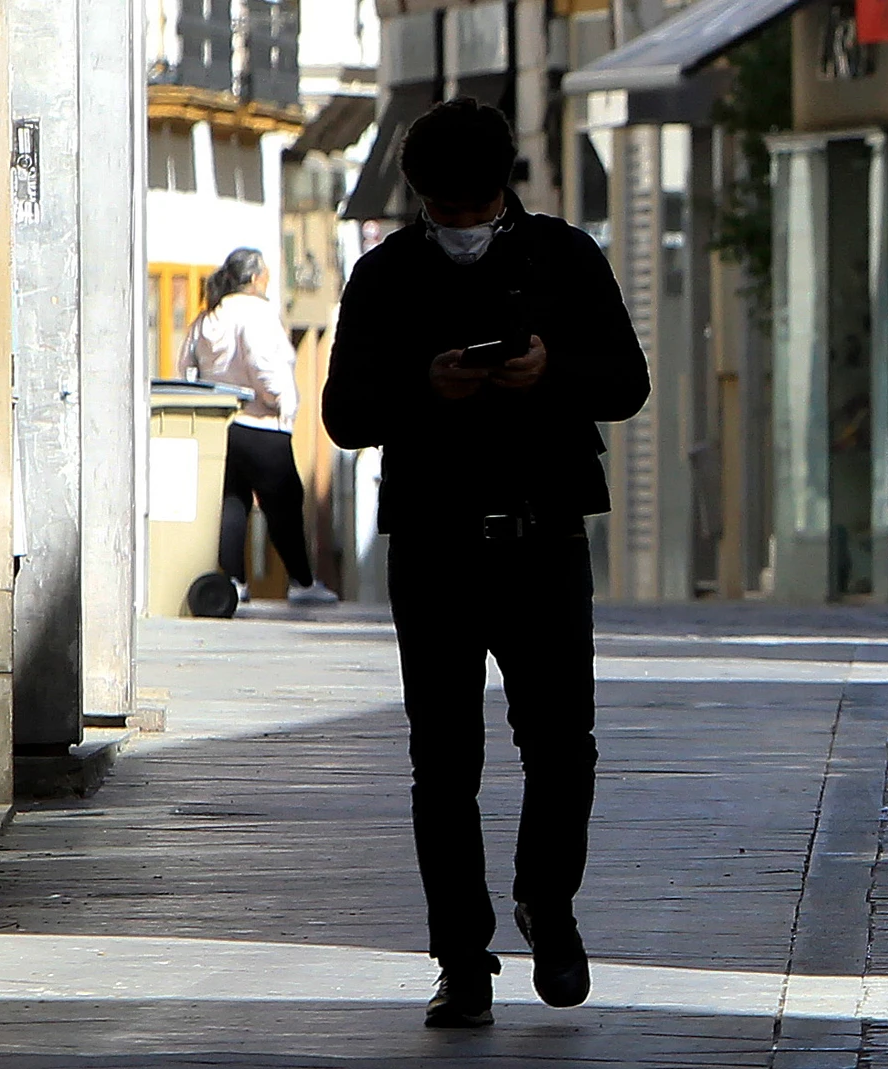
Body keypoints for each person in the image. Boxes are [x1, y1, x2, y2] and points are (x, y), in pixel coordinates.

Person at [321, 98, 649, 1029]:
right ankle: (461, 956)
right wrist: (424, 386)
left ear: (505, 185)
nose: (462, 223)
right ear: (419, 197)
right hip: (435, 543)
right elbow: (346, 413)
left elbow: (627, 382)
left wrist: (549, 368)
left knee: (562, 745)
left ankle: (549, 902)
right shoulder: (384, 276)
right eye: (443, 208)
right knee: (444, 758)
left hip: (543, 536)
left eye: (475, 205)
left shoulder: (565, 258)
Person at [177, 248, 339, 606]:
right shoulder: (257, 313)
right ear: (253, 278)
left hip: (220, 424)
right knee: (284, 503)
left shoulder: (208, 315)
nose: (267, 279)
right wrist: (281, 402)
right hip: (261, 423)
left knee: (233, 502)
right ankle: (301, 581)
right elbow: (262, 362)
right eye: (265, 273)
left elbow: (186, 366)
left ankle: (234, 580)